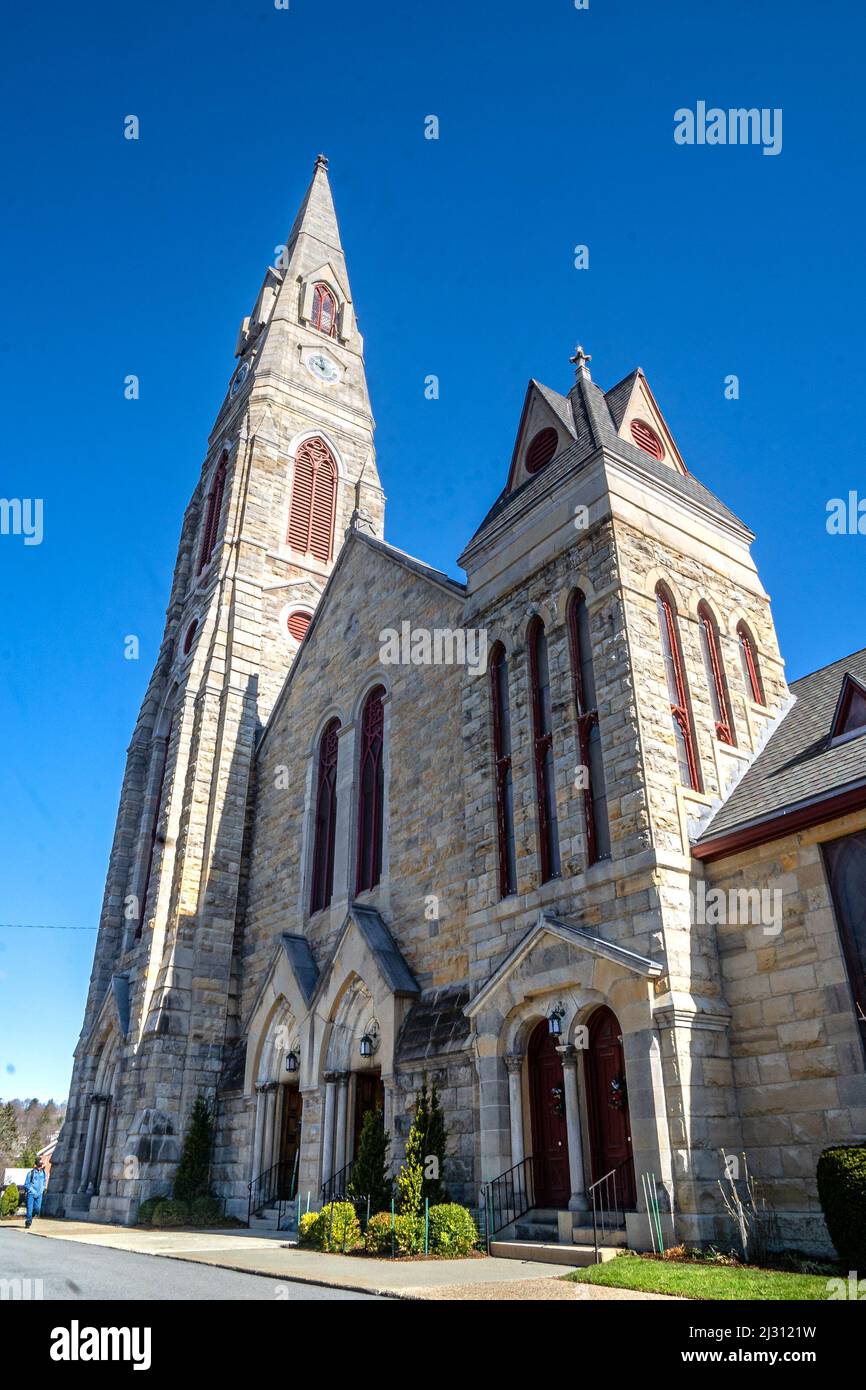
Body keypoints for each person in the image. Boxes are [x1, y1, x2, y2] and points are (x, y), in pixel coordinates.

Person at [24, 1155, 47, 1229]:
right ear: (36, 1165)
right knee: (29, 1209)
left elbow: (44, 1182)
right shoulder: (30, 1173)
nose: (40, 1167)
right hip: (31, 1194)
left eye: (41, 1165)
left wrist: (42, 1189)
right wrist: (32, 1191)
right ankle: (28, 1222)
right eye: (39, 1165)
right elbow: (26, 1185)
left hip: (39, 1194)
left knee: (37, 1209)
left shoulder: (43, 1173)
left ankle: (30, 1216)